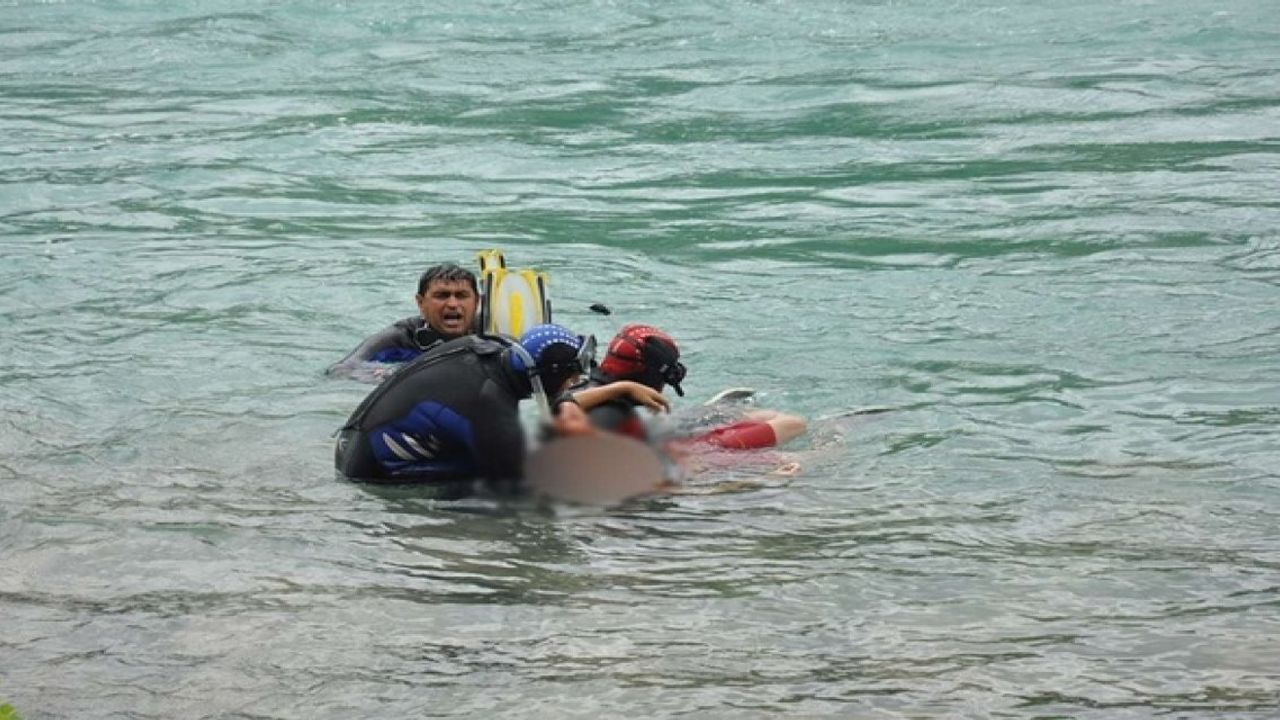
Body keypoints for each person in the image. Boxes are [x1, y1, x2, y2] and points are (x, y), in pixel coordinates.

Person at [335, 323, 668, 495]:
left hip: (355, 439)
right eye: (571, 377)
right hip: (373, 470)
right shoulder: (487, 405)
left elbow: (551, 400)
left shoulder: (493, 349)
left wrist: (620, 388)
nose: (577, 381)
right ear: (548, 376)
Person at [584, 323, 807, 449]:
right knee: (793, 423)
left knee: (755, 416)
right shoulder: (628, 419)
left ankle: (723, 415)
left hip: (656, 433)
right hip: (683, 450)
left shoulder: (577, 395)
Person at [326, 263, 480, 378]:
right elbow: (340, 370)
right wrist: (390, 375)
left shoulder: (489, 331)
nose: (452, 304)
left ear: (477, 302)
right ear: (421, 303)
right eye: (442, 296)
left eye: (461, 296)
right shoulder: (399, 339)